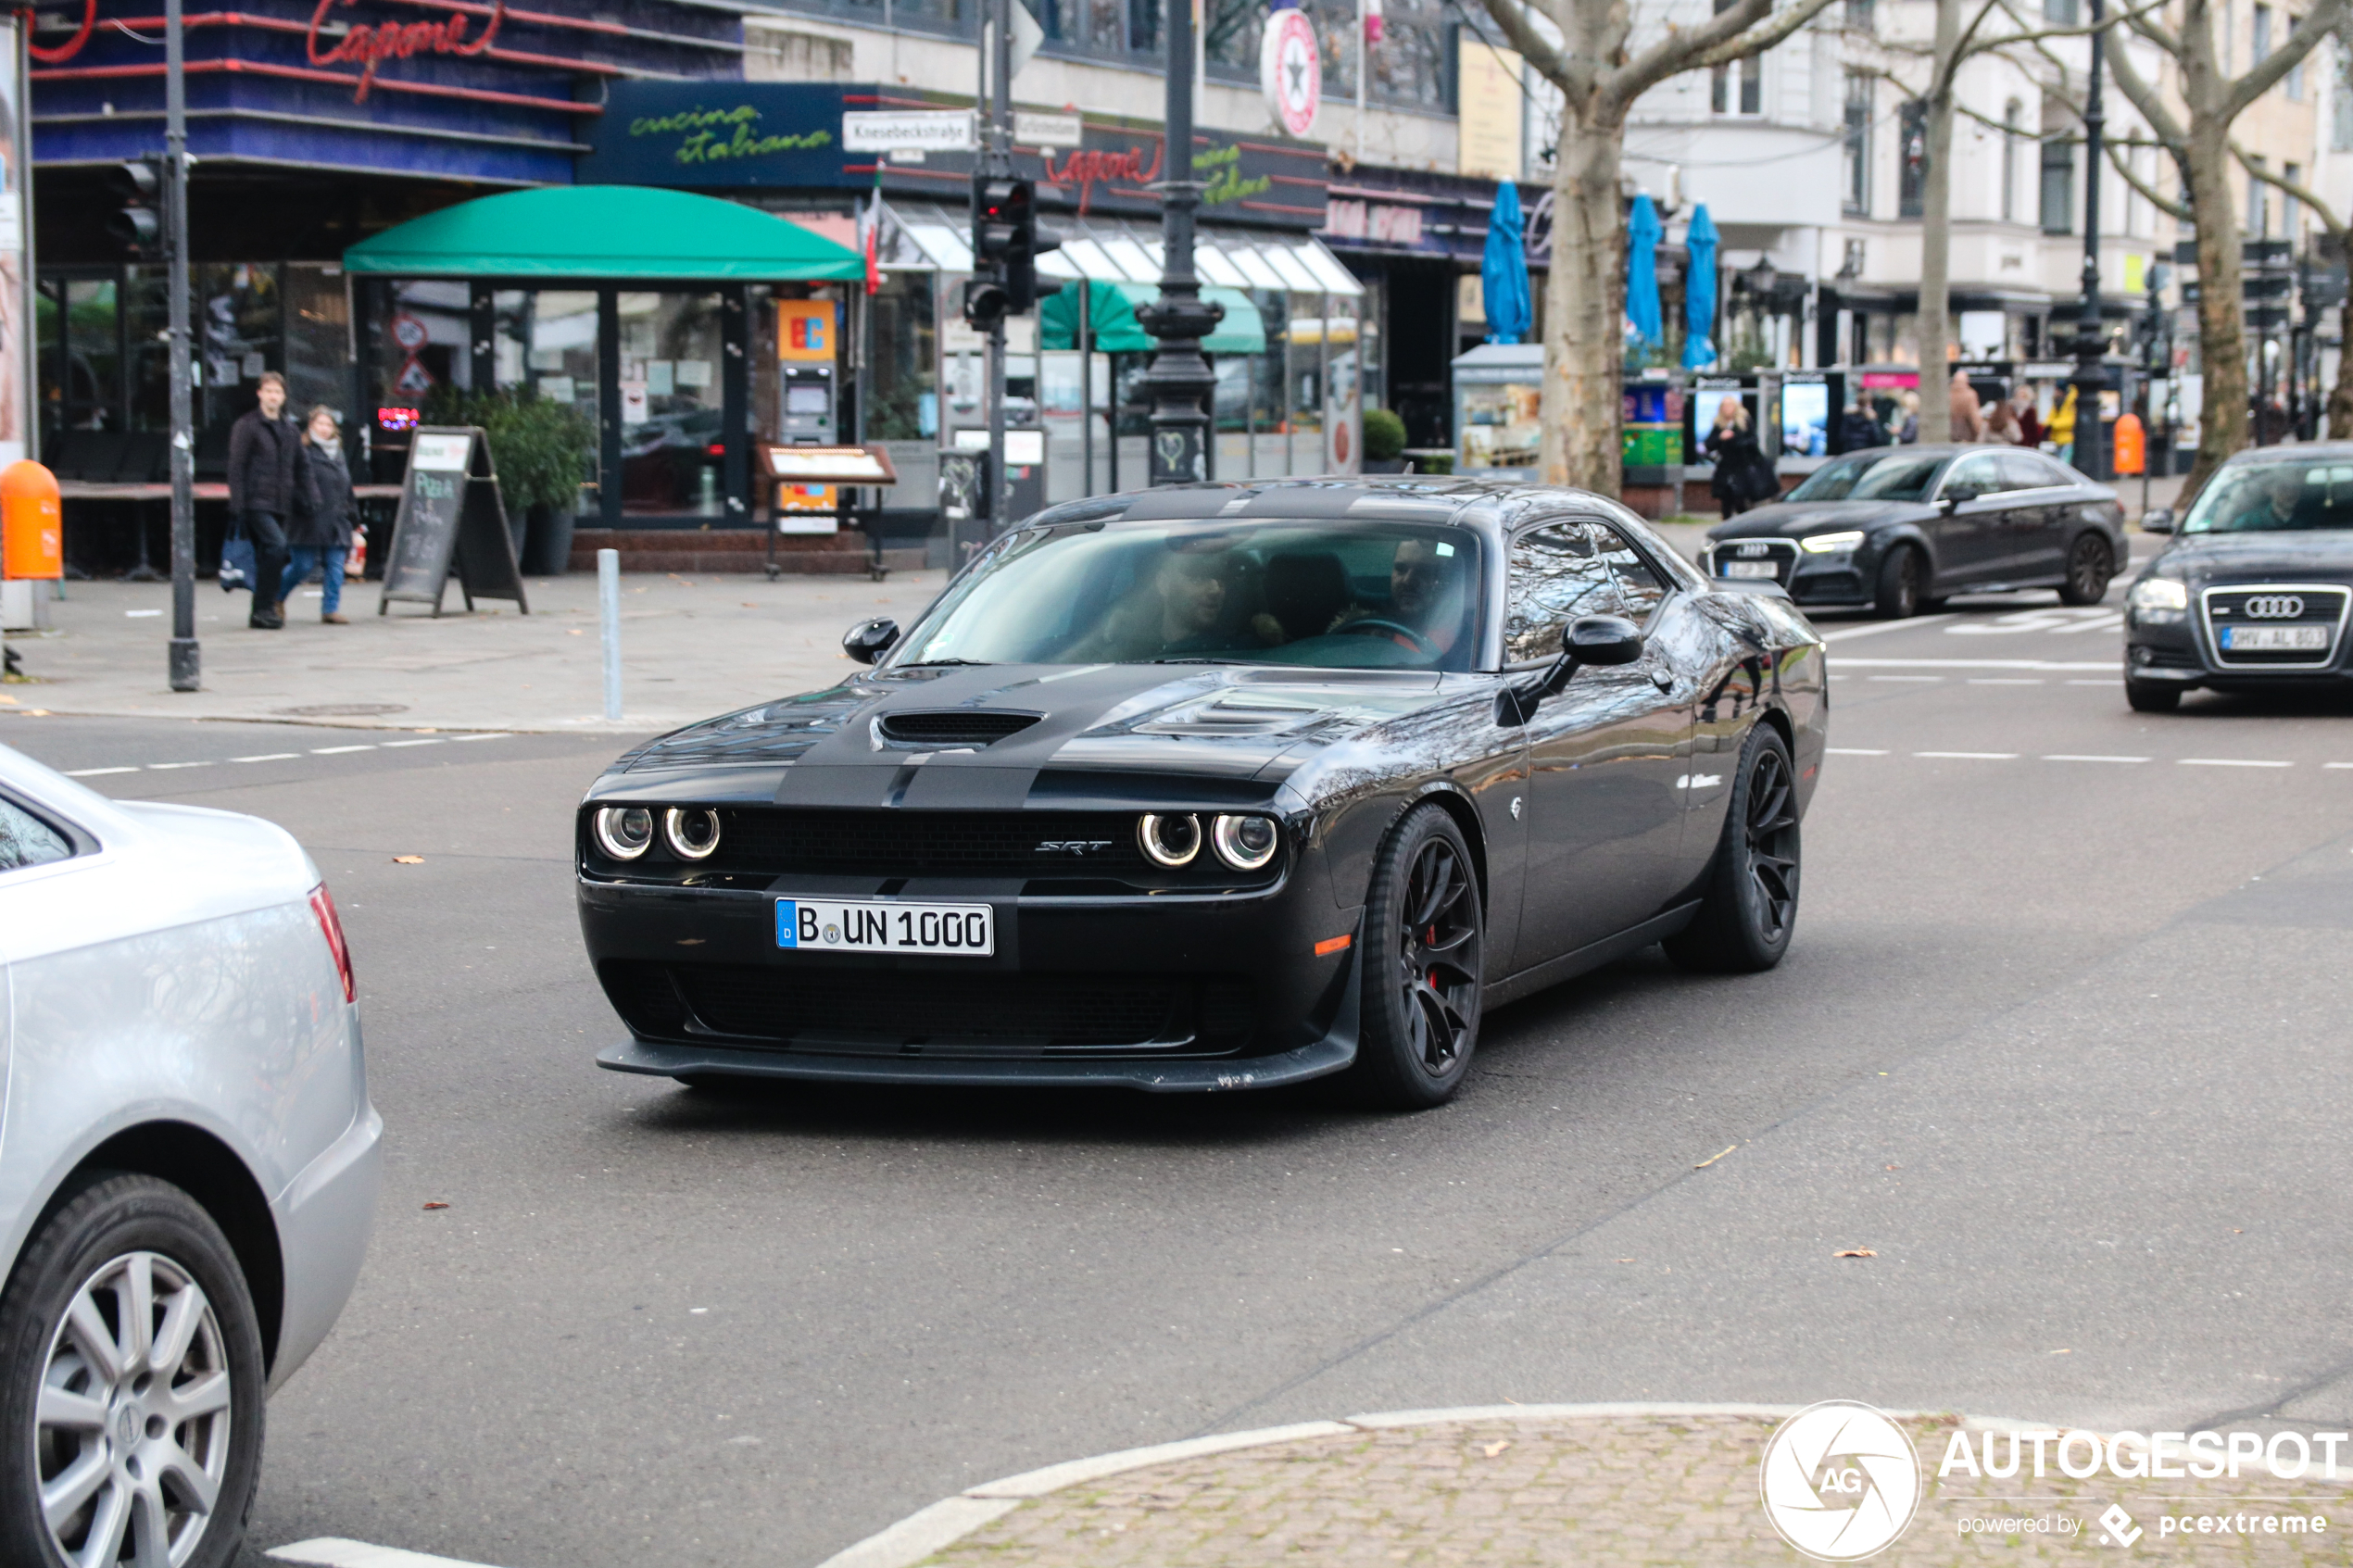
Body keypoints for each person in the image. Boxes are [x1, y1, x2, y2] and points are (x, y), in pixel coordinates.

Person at [224, 371, 312, 630]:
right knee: (277, 546)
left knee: (270, 554)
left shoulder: (290, 428)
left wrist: (311, 495)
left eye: (278, 392)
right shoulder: (248, 425)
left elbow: (302, 465)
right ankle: (266, 605)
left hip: (281, 501)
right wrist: (237, 502)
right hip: (255, 500)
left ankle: (261, 611)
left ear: (284, 397)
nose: (273, 396)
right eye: (269, 391)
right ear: (260, 393)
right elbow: (236, 465)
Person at [283, 406, 356, 625]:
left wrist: (354, 516)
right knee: (302, 565)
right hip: (308, 517)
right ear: (311, 426)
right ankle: (275, 597)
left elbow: (346, 485)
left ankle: (330, 609)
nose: (324, 429)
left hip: (336, 517)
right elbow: (293, 483)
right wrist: (303, 504)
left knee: (336, 565)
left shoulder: (338, 452)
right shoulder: (302, 450)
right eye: (320, 424)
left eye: (328, 425)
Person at [1705, 398, 1774, 520]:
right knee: (1726, 498)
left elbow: (1752, 441)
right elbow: (1709, 444)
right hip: (1726, 467)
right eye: (1724, 407)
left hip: (1743, 467)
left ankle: (1743, 523)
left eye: (1729, 406)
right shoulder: (1719, 425)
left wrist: (1733, 439)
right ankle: (1726, 523)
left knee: (1741, 498)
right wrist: (1721, 437)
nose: (1727, 409)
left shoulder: (1744, 422)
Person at [1948, 370, 1984, 443]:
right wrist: (1980, 432)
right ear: (1967, 382)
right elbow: (1974, 417)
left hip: (1949, 432)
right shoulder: (1970, 395)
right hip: (1965, 434)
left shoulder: (1947, 394)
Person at [2048, 384, 2079, 465]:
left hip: (2068, 440)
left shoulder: (2071, 401)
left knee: (2063, 465)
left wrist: (2053, 424)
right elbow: (2050, 418)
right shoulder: (2059, 402)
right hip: (2058, 440)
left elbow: (2072, 420)